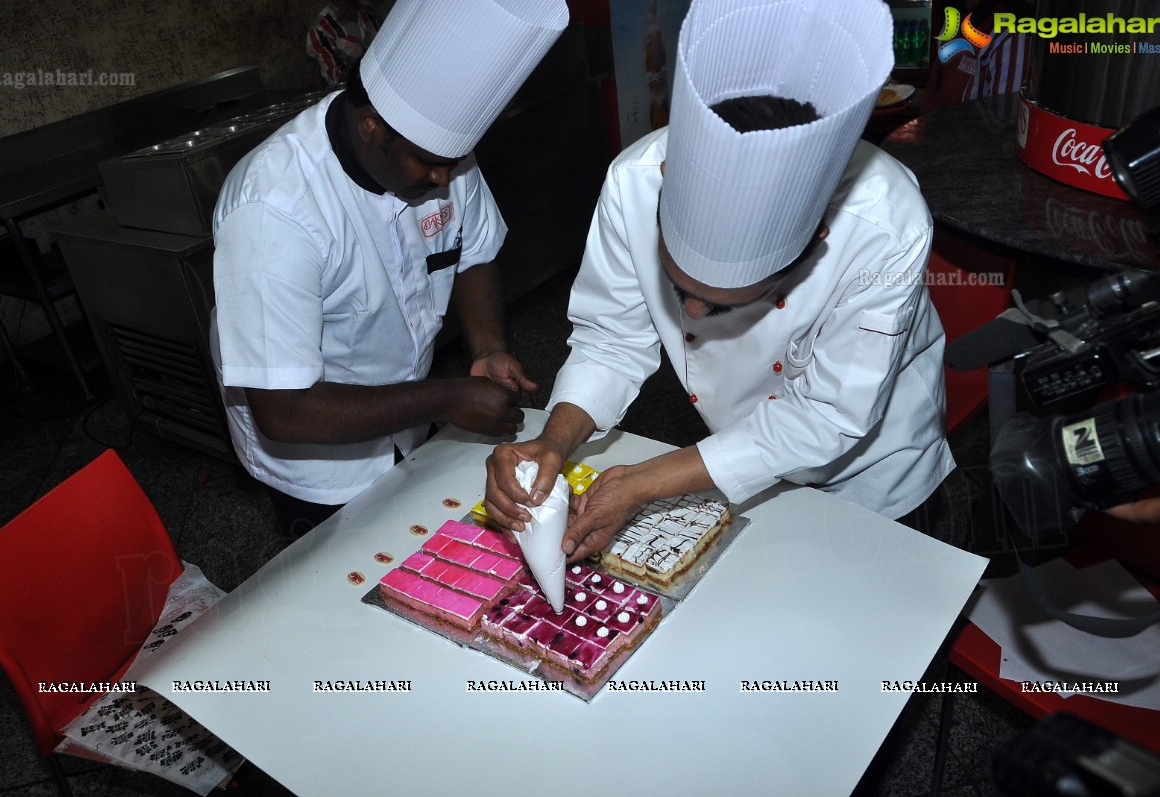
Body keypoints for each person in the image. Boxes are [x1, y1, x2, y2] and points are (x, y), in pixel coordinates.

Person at [485, 0, 955, 561]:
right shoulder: (632, 184)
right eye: (681, 294)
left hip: (875, 477)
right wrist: (552, 441)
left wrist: (647, 480)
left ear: (816, 242)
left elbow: (825, 415)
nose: (697, 319)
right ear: (663, 184)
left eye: (726, 305)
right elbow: (611, 340)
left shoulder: (884, 224)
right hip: (726, 460)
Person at [212, 0, 568, 538]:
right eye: (429, 164)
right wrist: (448, 398)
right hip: (316, 458)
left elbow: (471, 254)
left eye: (453, 161)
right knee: (337, 578)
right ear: (371, 126)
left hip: (409, 417)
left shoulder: (437, 157)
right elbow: (284, 410)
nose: (445, 178)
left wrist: (488, 348)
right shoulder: (274, 212)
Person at [306, 0, 388, 86]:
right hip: (357, 93)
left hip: (385, 83)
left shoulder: (369, 12)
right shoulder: (321, 27)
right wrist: (367, 64)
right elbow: (335, 78)